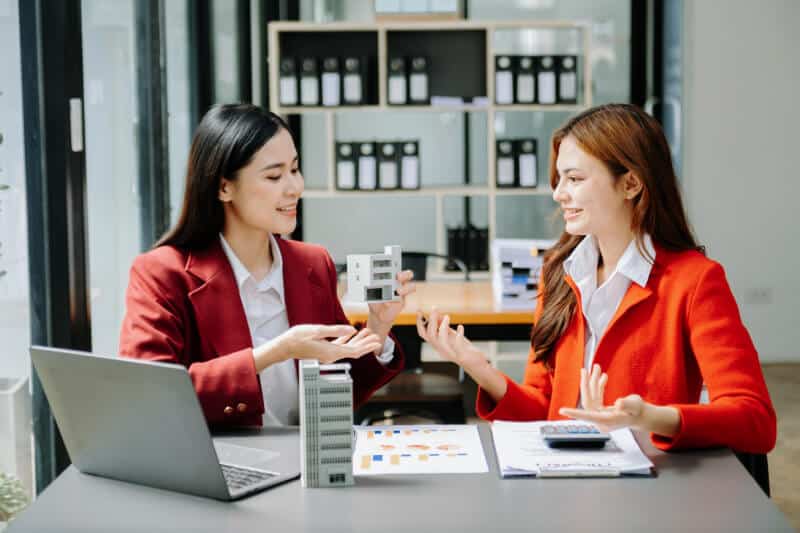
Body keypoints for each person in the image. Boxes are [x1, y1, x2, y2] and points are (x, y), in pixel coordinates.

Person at [418, 103, 776, 453]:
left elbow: (756, 421)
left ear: (631, 184)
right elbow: (546, 410)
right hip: (569, 484)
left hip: (654, 492)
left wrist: (651, 417)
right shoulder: (560, 273)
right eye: (559, 179)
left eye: (574, 179)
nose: (559, 194)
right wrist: (479, 368)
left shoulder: (694, 281)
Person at [119, 103, 414, 428]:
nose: (295, 187)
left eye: (295, 169)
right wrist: (276, 352)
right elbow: (150, 396)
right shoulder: (162, 273)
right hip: (216, 467)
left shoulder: (313, 263)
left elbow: (337, 391)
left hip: (305, 466)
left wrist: (377, 326)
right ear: (223, 187)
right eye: (274, 175)